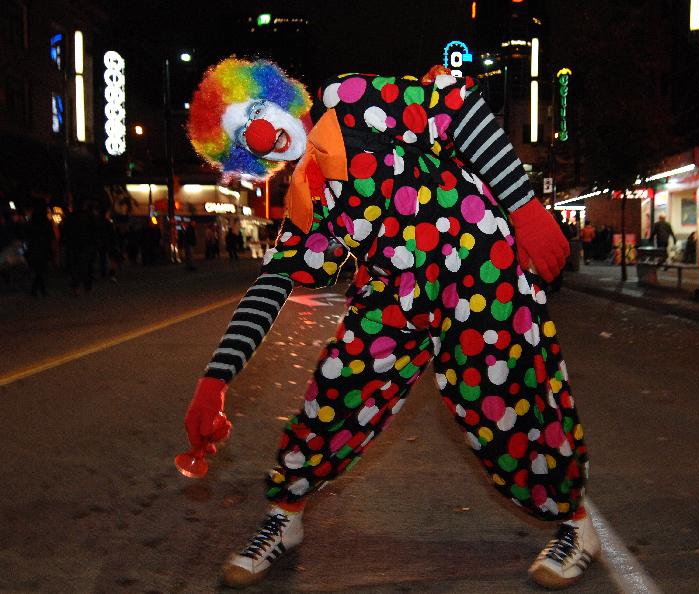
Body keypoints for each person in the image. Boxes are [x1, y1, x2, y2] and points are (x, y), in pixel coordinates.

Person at [182, 59, 596, 590]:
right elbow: (273, 283)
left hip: (479, 276)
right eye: (245, 135)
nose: (262, 131)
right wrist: (215, 379)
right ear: (246, 155)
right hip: (395, 296)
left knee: (506, 408)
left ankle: (576, 525)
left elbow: (457, 112)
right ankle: (285, 516)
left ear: (282, 98)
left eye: (258, 111)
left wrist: (524, 207)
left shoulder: (351, 100)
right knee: (334, 394)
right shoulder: (308, 201)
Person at [24, 201, 55, 296]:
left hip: (34, 247)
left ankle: (40, 290)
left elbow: (26, 234)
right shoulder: (46, 222)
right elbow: (51, 235)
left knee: (38, 270)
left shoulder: (31, 221)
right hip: (43, 248)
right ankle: (38, 290)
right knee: (41, 270)